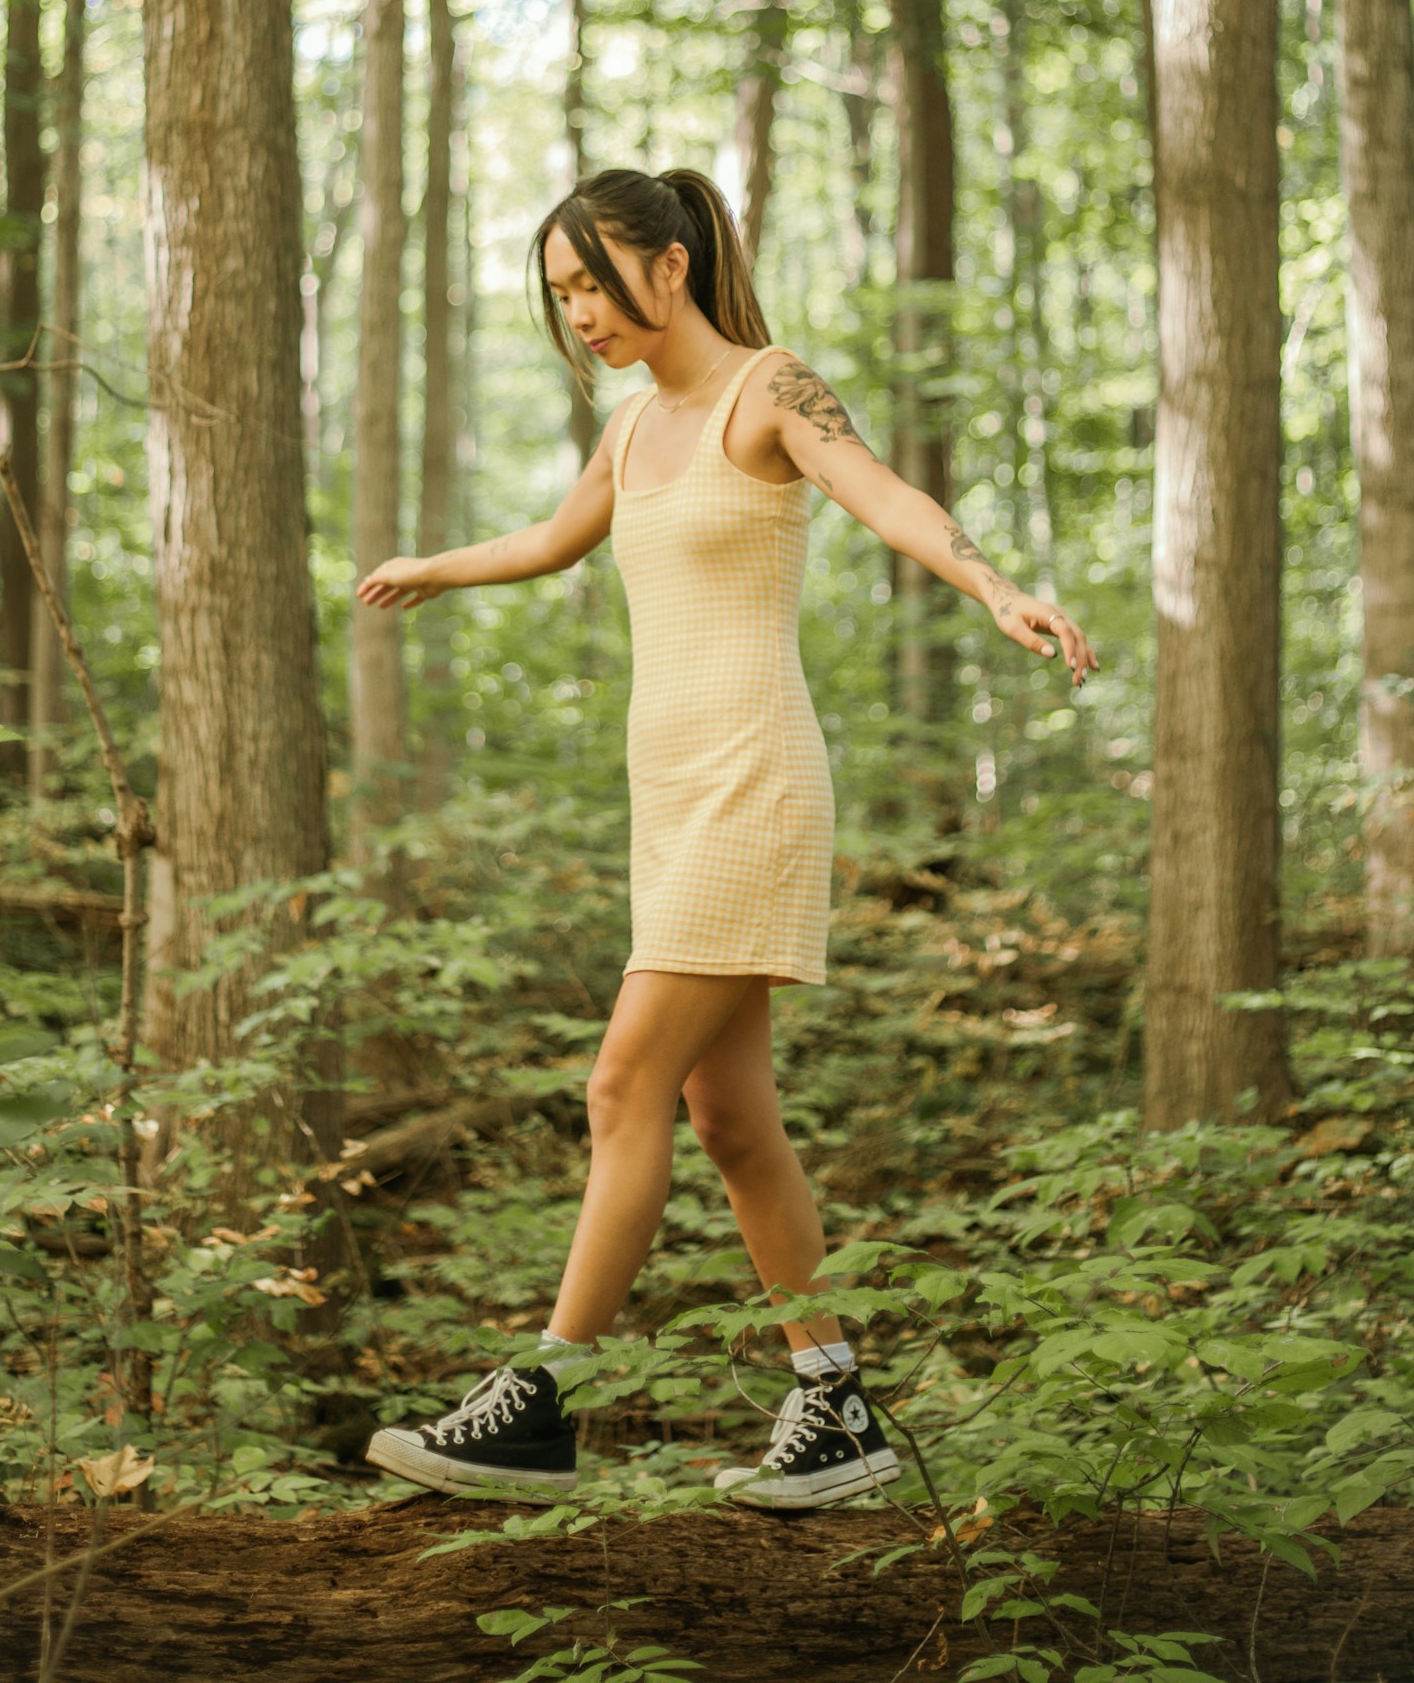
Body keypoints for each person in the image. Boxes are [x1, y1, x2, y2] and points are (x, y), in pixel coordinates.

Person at [355, 167, 1097, 1510]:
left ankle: (542, 1400)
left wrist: (990, 581)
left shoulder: (769, 389)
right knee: (726, 1115)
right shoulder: (636, 430)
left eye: (594, 279)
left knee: (622, 1089)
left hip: (756, 783)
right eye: (562, 291)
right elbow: (555, 540)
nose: (579, 312)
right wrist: (432, 564)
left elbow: (877, 491)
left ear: (671, 264)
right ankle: (837, 1406)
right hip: (672, 796)